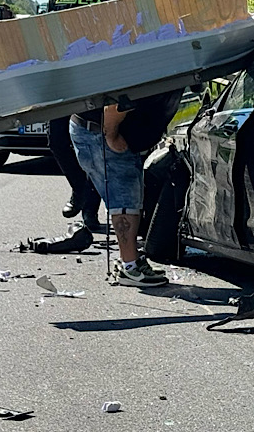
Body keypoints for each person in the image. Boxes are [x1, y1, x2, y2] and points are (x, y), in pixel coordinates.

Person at [45, 0, 123, 231]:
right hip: (66, 78)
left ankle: (90, 212)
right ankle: (79, 189)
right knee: (56, 139)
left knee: (92, 146)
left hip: (97, 78)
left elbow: (119, 32)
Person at [69, 90, 182, 287]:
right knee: (124, 201)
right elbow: (116, 102)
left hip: (103, 131)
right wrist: (111, 134)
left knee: (129, 198)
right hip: (103, 133)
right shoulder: (154, 62)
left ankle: (130, 261)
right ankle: (129, 267)